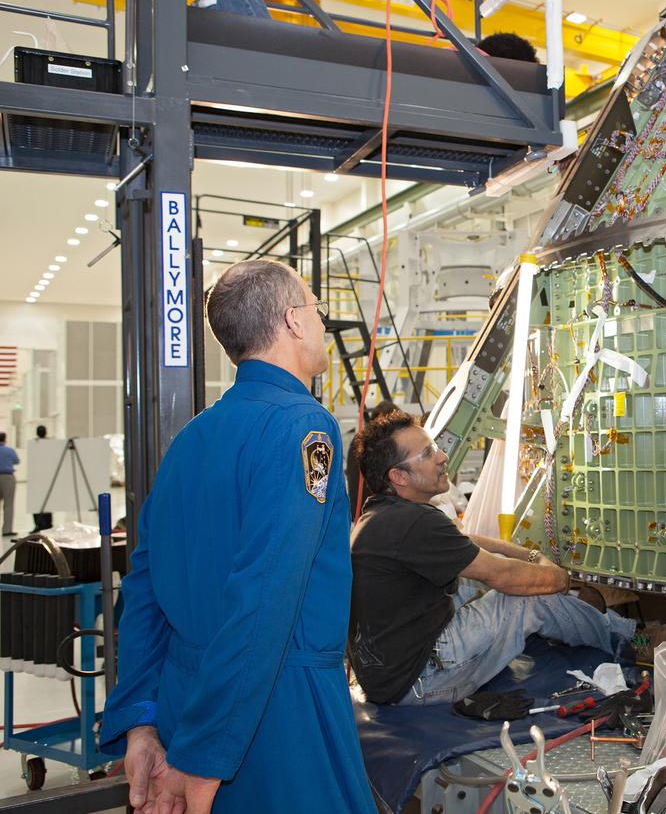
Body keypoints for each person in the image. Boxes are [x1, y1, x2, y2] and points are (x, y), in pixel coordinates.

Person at [100, 259, 374, 814]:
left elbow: (143, 592)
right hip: (271, 716)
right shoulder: (306, 428)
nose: (321, 322)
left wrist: (141, 722)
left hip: (187, 707)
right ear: (295, 321)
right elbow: (265, 598)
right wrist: (205, 758)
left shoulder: (190, 441)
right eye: (317, 309)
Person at [348, 410, 635, 706]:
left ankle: (584, 617)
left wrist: (530, 554)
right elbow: (506, 577)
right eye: (428, 453)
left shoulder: (383, 514)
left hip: (387, 674)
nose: (443, 456)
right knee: (527, 597)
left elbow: (466, 542)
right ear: (398, 476)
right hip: (421, 679)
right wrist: (561, 578)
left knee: (474, 584)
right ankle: (625, 640)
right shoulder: (411, 522)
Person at [30, 425, 51, 532]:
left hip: (39, 477)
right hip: (44, 476)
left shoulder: (35, 444)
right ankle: (46, 523)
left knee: (40, 501)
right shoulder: (49, 444)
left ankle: (42, 523)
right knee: (44, 501)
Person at [0, 433, 17, 538]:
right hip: (7, 477)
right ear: (5, 439)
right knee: (8, 504)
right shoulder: (9, 450)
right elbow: (16, 460)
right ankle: (7, 530)